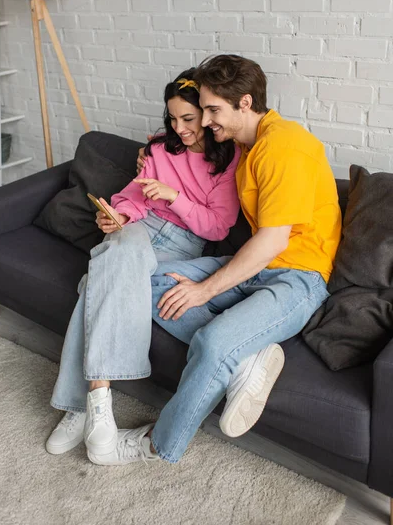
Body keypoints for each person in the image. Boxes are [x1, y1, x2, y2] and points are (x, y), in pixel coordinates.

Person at [88, 54, 342, 467]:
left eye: (211, 110)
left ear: (244, 102)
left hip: (296, 277)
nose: (204, 122)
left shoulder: (285, 146)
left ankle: (157, 445)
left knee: (212, 342)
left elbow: (274, 240)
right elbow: (189, 168)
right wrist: (150, 158)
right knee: (143, 281)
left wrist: (206, 289)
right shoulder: (247, 147)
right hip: (254, 267)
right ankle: (245, 358)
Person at [45, 68, 243, 457]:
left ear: (206, 114)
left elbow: (218, 228)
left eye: (188, 119)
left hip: (182, 244)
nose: (180, 128)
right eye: (172, 118)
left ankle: (82, 407)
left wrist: (174, 196)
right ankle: (97, 411)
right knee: (115, 254)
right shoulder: (157, 147)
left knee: (95, 284)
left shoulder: (228, 160)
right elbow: (133, 196)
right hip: (137, 230)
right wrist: (116, 214)